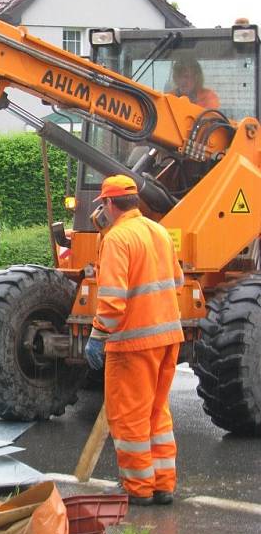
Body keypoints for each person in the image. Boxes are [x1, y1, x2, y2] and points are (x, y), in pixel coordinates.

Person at [85, 174, 184, 507]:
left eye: (103, 205)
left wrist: (98, 336)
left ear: (109, 204)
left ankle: (138, 488)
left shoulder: (117, 238)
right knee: (158, 414)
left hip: (133, 343)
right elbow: (178, 280)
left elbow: (113, 300)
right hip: (168, 336)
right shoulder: (158, 231)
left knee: (129, 417)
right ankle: (162, 484)